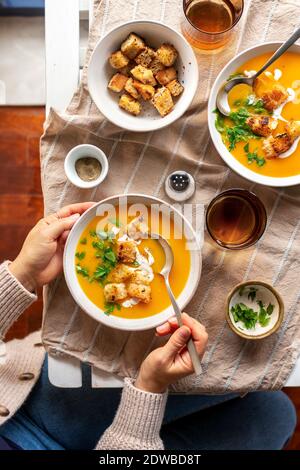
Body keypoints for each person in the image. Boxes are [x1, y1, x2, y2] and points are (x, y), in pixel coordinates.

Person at [0, 203, 296, 450]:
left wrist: (22, 274)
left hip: (24, 391)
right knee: (275, 415)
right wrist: (149, 389)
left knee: (273, 409)